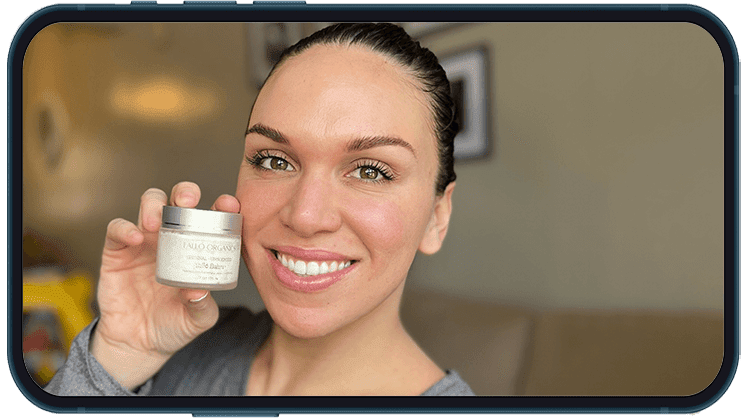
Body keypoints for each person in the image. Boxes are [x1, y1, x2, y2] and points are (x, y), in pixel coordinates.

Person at [45, 22, 473, 396]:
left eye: (371, 171)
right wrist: (117, 359)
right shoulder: (171, 354)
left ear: (438, 217)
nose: (305, 216)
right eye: (275, 161)